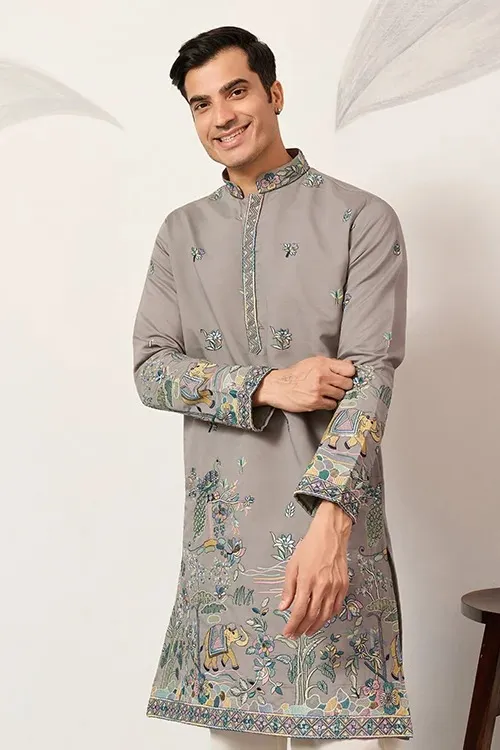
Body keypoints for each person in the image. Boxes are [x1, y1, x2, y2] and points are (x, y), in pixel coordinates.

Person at [132, 25, 412, 749]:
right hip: (223, 556)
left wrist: (331, 527)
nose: (221, 116)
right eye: (201, 104)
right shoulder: (180, 233)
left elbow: (370, 380)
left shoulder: (361, 218)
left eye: (236, 92)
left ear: (274, 93)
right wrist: (267, 385)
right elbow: (151, 370)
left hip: (329, 541)